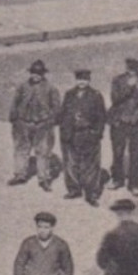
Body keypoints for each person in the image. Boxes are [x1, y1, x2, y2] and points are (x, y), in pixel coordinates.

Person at [8, 60, 61, 190]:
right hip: (23, 123)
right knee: (21, 150)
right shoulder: (22, 87)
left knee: (43, 152)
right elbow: (15, 103)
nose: (36, 75)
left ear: (43, 74)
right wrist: (15, 119)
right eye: (33, 73)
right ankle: (20, 175)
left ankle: (43, 178)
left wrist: (50, 121)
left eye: (39, 73)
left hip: (42, 125)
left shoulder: (50, 88)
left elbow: (56, 107)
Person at [58, 69, 108, 205]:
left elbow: (102, 117)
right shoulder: (69, 94)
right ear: (76, 80)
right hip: (71, 135)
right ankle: (74, 189)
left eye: (85, 80)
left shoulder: (96, 95)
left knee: (91, 165)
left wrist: (96, 133)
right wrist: (64, 131)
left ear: (89, 81)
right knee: (71, 163)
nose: (82, 82)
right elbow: (63, 114)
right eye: (79, 79)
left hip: (88, 134)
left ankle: (91, 193)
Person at [108, 56, 138, 193]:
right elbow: (115, 99)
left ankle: (134, 184)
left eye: (135, 69)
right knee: (118, 152)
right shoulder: (118, 80)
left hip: (136, 123)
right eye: (130, 68)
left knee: (135, 154)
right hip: (120, 122)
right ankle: (117, 179)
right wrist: (129, 87)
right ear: (126, 67)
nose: (132, 71)